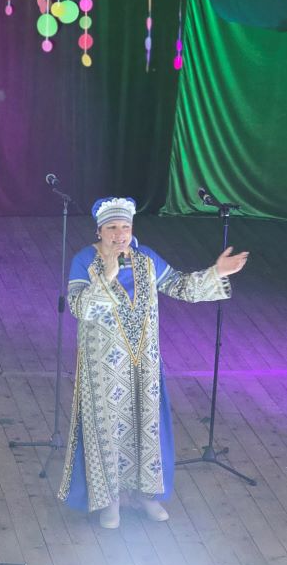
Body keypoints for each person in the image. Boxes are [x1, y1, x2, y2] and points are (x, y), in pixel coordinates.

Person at [57, 197, 249, 528]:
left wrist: (217, 272)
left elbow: (180, 285)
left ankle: (146, 495)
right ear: (99, 230)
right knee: (108, 430)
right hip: (104, 368)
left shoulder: (145, 259)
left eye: (126, 227)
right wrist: (107, 275)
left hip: (143, 362)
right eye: (112, 228)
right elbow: (80, 308)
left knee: (146, 426)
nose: (120, 234)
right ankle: (110, 500)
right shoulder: (85, 261)